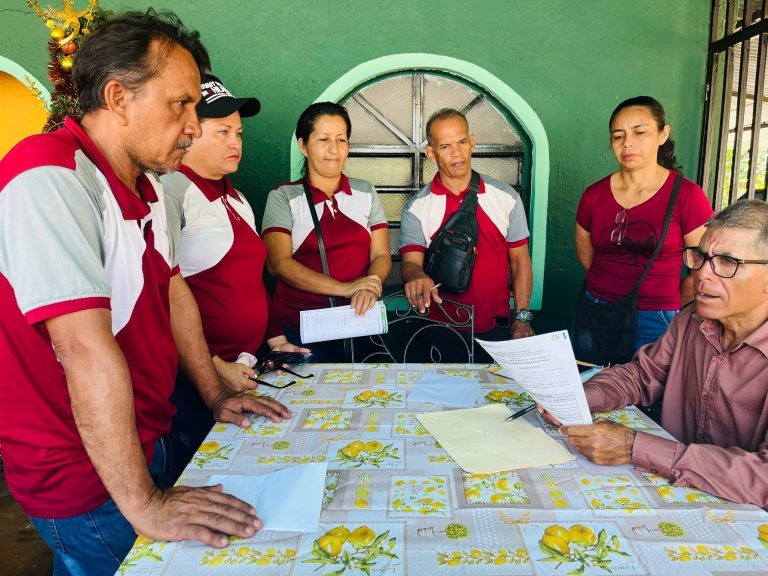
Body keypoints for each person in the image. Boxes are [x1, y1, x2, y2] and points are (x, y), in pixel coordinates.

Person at [0, 10, 290, 576]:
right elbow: (83, 349)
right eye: (180, 104)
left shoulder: (150, 186)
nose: (192, 125)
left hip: (144, 441)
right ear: (118, 97)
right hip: (83, 474)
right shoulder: (48, 175)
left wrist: (214, 394)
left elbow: (174, 294)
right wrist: (145, 503)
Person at [554, 200, 768, 508]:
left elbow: (762, 477)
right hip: (676, 496)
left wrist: (636, 447)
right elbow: (642, 375)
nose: (703, 275)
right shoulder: (691, 320)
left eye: (726, 262)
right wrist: (579, 398)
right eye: (701, 257)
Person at [162, 73, 308, 472]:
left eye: (239, 133)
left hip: (245, 369)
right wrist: (213, 366)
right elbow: (159, 297)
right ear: (189, 133)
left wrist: (276, 339)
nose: (236, 143)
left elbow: (252, 283)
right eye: (223, 132)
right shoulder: (171, 193)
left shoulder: (237, 197)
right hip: (196, 382)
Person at [574, 96, 713, 361]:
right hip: (596, 309)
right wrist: (608, 286)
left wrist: (667, 301)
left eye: (640, 132)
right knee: (591, 379)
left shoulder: (687, 196)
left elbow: (703, 265)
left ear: (662, 134)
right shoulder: (594, 195)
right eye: (618, 136)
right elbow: (586, 253)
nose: (627, 143)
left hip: (655, 316)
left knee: (647, 385)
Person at [399, 108, 533, 362]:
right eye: (445, 146)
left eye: (461, 142)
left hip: (497, 327)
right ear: (431, 153)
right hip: (439, 328)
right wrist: (416, 276)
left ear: (472, 142)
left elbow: (520, 261)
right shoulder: (417, 207)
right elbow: (410, 264)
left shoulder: (505, 197)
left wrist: (522, 318)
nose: (457, 153)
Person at [262, 102, 391, 361]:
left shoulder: (366, 191)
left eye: (341, 140)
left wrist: (370, 286)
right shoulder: (283, 197)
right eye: (323, 139)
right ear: (303, 146)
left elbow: (381, 254)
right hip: (301, 329)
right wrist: (345, 288)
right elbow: (278, 264)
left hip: (359, 323)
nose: (334, 149)